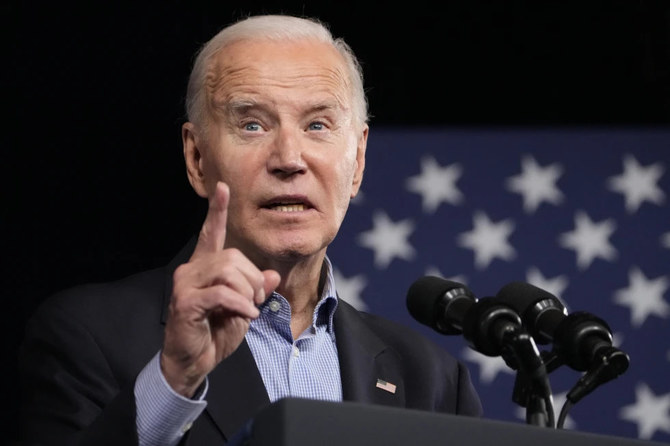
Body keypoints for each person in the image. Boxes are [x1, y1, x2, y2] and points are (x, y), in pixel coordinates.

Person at [18, 13, 482, 446]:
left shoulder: (433, 379)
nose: (289, 159)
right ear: (196, 158)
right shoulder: (88, 336)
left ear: (357, 160)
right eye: (253, 125)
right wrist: (173, 380)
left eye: (317, 125)